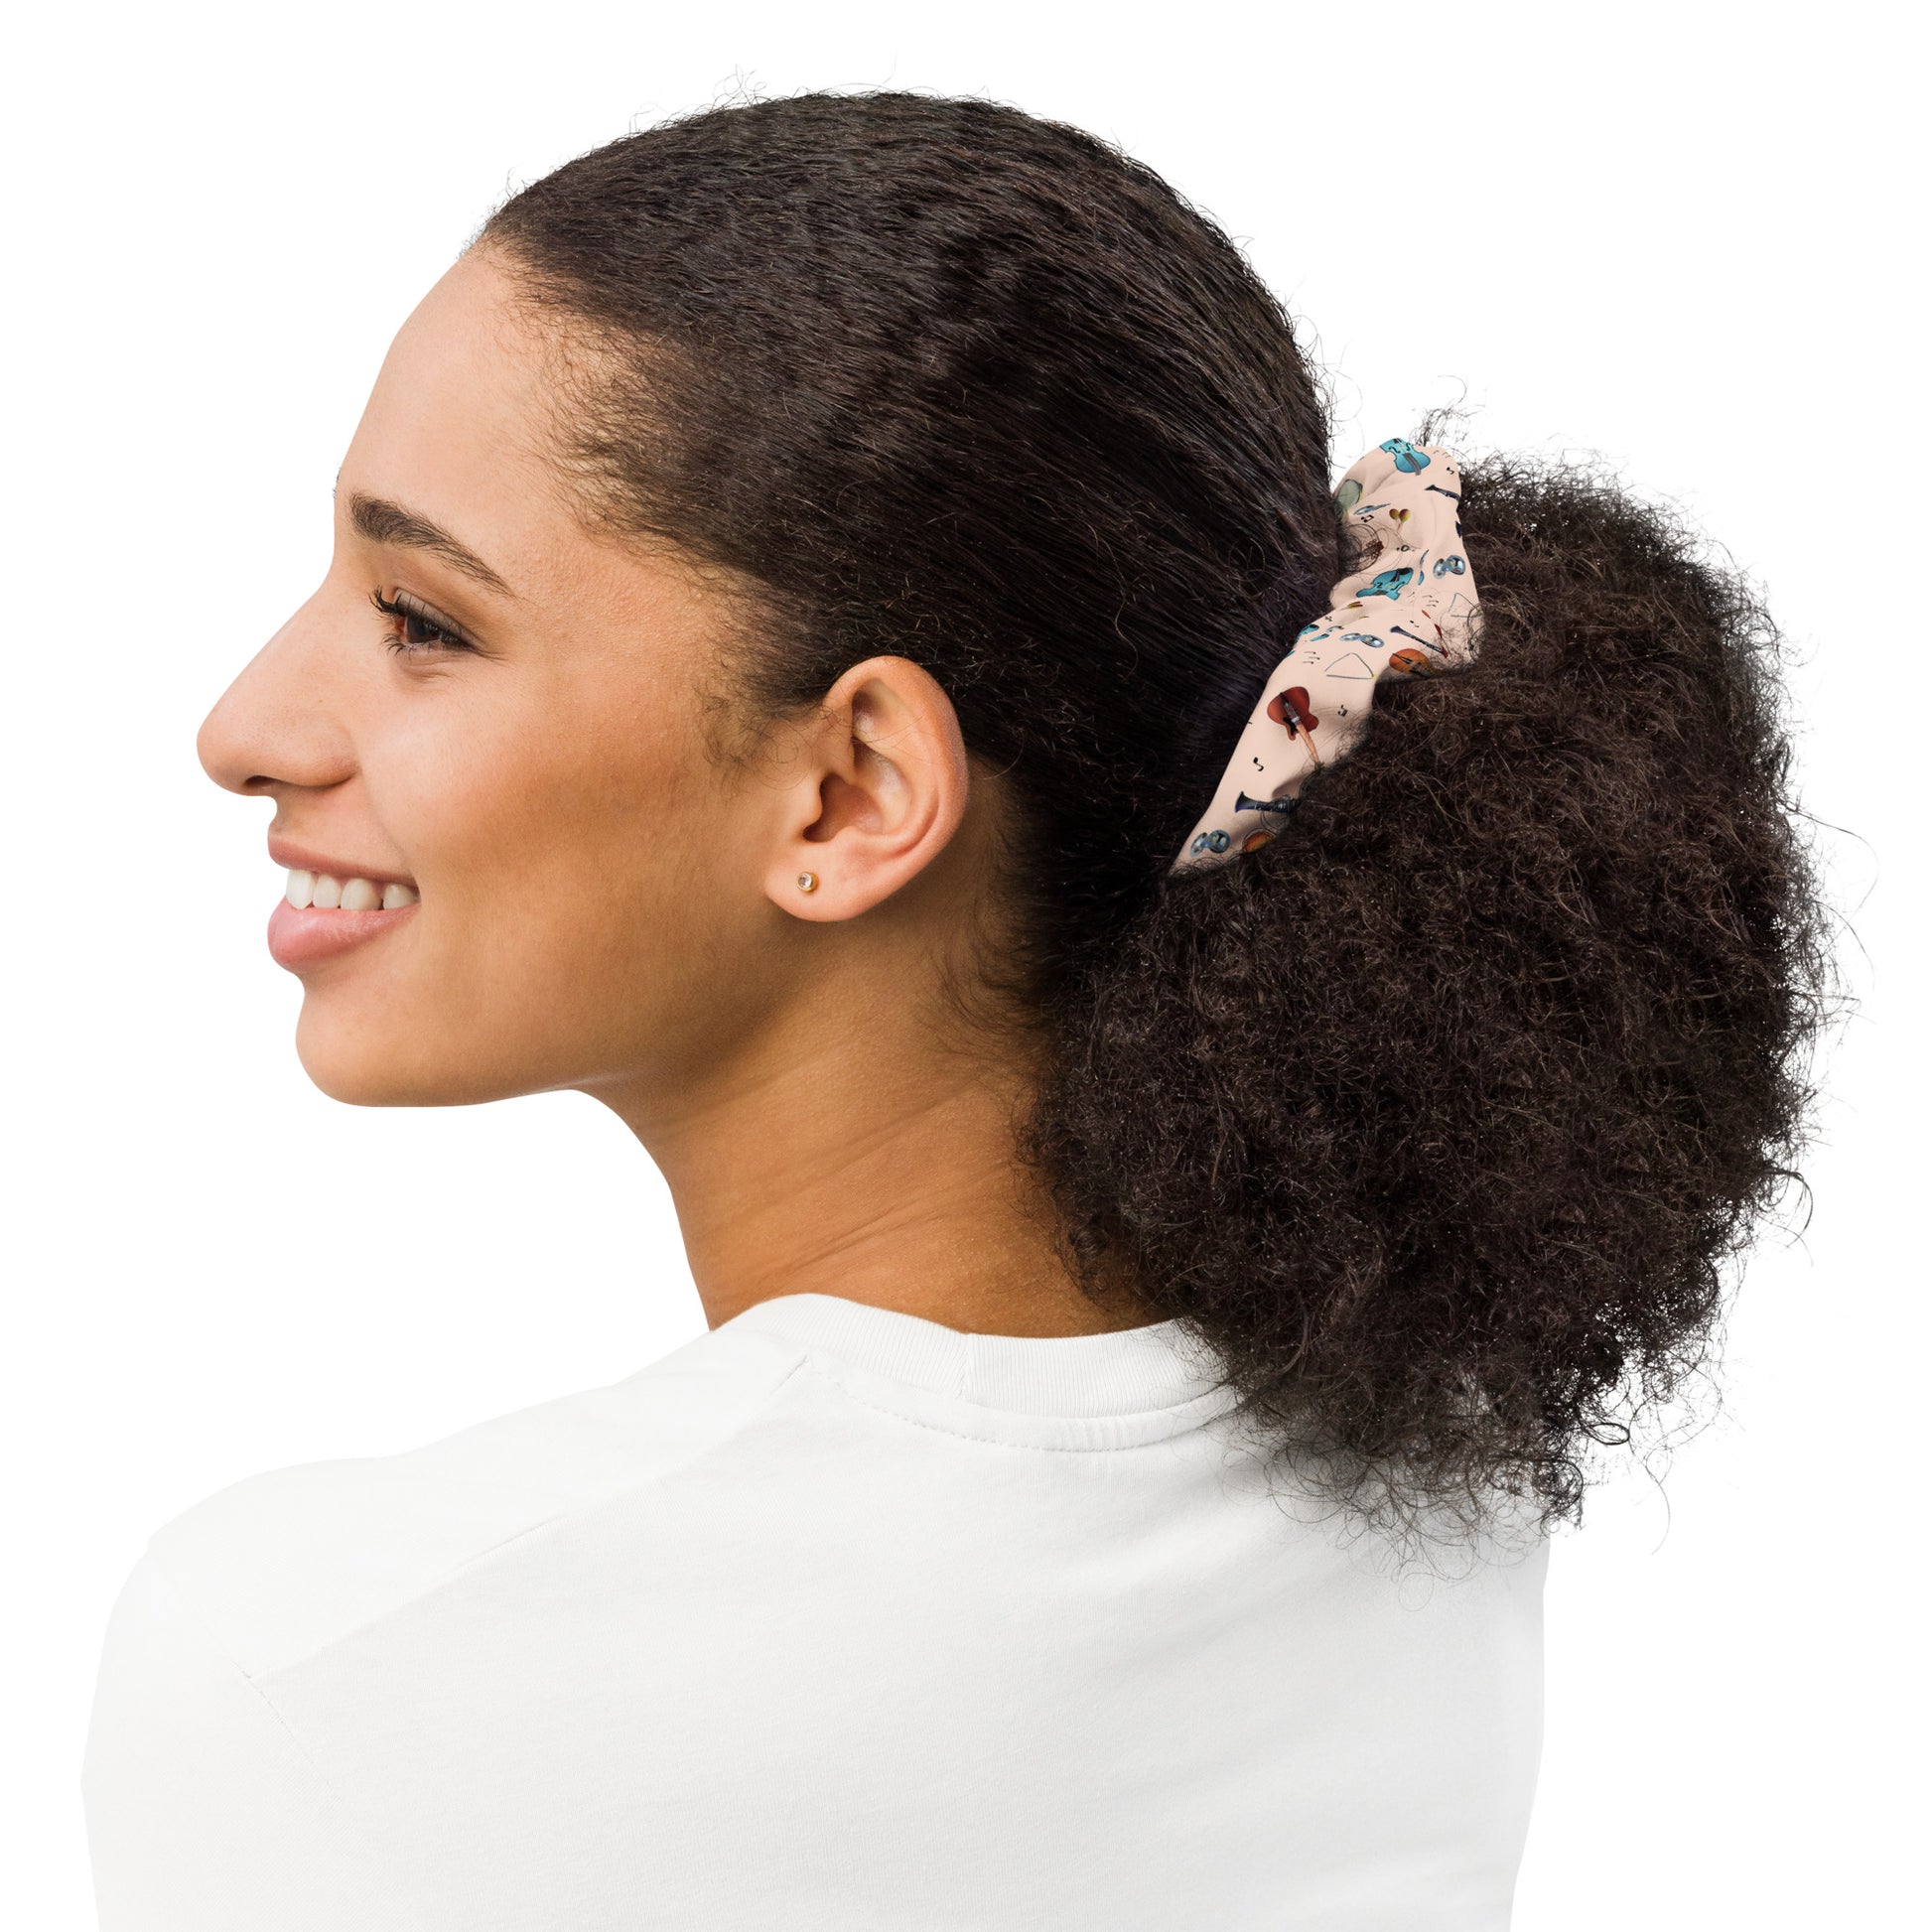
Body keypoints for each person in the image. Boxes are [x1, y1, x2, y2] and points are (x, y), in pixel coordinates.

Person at [79, 91, 1832, 1930]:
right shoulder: (1435, 1463)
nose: (244, 726)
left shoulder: (313, 1664)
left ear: (848, 793)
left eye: (423, 619)